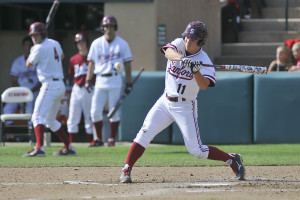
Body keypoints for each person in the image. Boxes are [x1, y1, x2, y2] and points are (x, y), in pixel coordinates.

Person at [119, 21, 245, 183]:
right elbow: (167, 52)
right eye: (187, 37)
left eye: (192, 39)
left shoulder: (203, 59)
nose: (187, 41)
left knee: (196, 150)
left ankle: (231, 159)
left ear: (200, 42)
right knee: (145, 133)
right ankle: (127, 168)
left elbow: (204, 85)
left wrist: (196, 71)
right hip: (165, 101)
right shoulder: (179, 44)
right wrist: (184, 59)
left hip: (185, 106)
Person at [22, 22, 76, 157]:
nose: (34, 37)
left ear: (42, 34)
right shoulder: (54, 43)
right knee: (50, 120)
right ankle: (69, 147)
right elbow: (62, 56)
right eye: (33, 35)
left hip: (49, 85)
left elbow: (28, 64)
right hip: (60, 85)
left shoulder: (38, 48)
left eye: (36, 34)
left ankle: (40, 148)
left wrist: (34, 50)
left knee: (37, 116)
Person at [85, 15, 133, 147]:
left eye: (111, 26)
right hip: (100, 79)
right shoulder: (96, 43)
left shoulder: (122, 43)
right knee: (95, 111)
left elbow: (128, 64)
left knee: (114, 111)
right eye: (106, 26)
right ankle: (98, 139)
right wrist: (88, 79)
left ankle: (112, 139)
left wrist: (128, 82)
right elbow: (91, 63)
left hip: (115, 78)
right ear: (103, 28)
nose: (108, 29)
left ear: (115, 28)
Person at [3, 36, 40, 125]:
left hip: (34, 91)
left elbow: (41, 82)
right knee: (7, 108)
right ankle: (11, 135)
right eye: (26, 45)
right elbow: (14, 81)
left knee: (30, 107)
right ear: (23, 46)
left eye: (30, 45)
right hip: (20, 91)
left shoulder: (38, 61)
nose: (28, 47)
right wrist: (22, 92)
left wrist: (29, 92)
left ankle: (30, 133)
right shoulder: (17, 61)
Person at [67, 33, 95, 144]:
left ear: (87, 43)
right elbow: (71, 74)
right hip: (76, 88)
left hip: (89, 89)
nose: (81, 44)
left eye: (83, 42)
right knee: (73, 118)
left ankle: (90, 142)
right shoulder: (73, 59)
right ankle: (71, 144)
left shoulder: (92, 58)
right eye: (78, 42)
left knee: (89, 118)